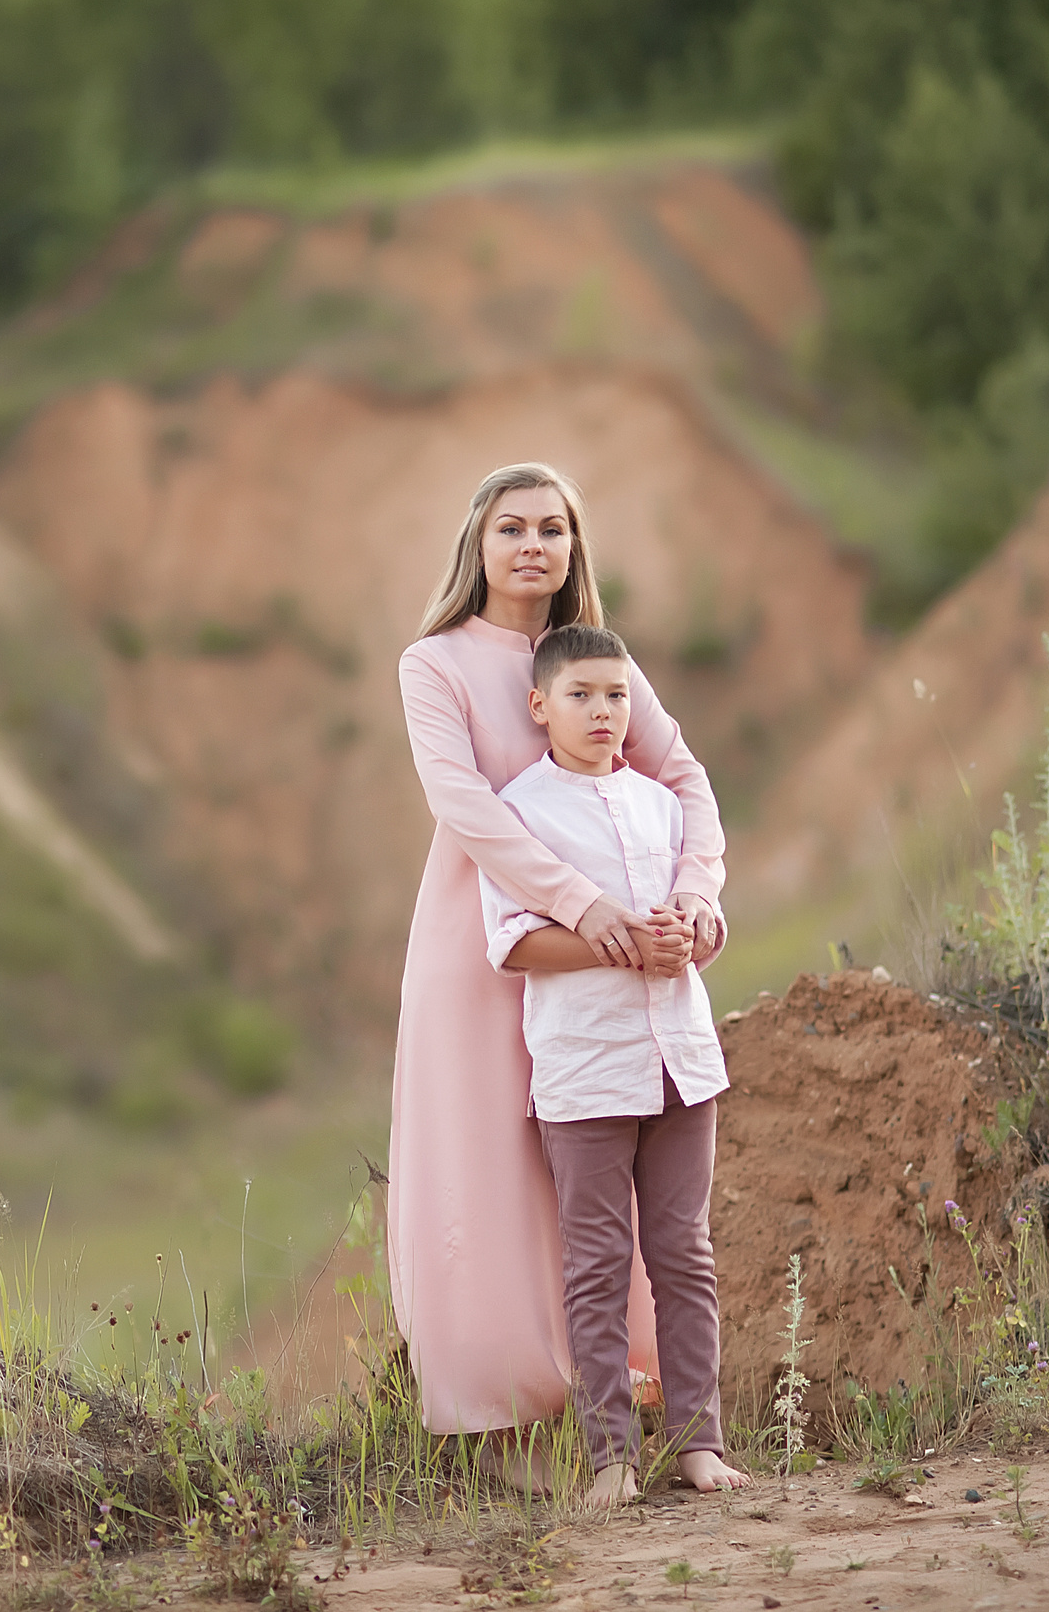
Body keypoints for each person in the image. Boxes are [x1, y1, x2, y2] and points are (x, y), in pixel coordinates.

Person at [388, 462, 726, 1488]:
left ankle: (634, 1411)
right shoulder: (433, 662)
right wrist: (588, 911)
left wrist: (700, 895)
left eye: (552, 527)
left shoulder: (593, 661)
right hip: (484, 941)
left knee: (590, 1195)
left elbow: (682, 776)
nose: (532, 545)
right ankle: (508, 1424)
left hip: (613, 963)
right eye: (511, 527)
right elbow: (469, 807)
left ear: (574, 547)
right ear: (477, 546)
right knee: (497, 1181)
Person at [480, 624, 749, 1505]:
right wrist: (616, 945)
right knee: (596, 1263)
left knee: (686, 1254)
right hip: (585, 1068)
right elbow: (513, 947)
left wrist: (691, 928)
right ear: (540, 706)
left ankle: (699, 1443)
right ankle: (611, 1459)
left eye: (617, 696)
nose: (602, 712)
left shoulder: (663, 805)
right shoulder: (518, 811)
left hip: (682, 1062)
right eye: (581, 696)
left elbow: (703, 926)